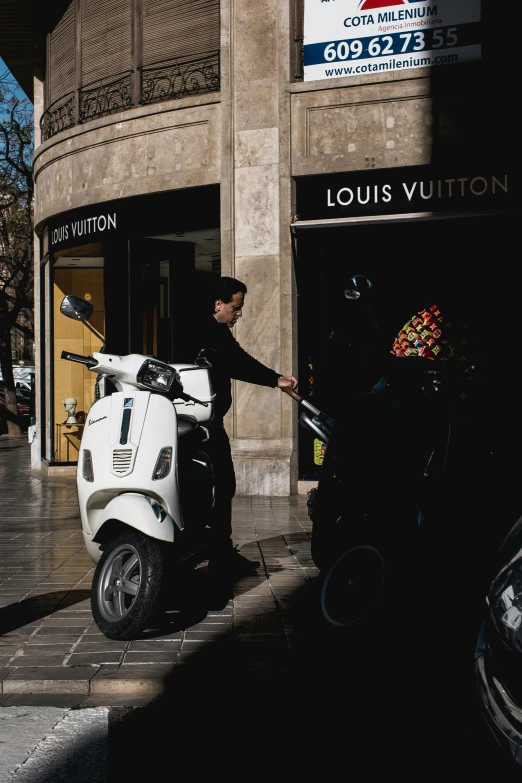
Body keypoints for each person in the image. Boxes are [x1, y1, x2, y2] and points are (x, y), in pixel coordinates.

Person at [185, 276, 298, 579]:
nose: (240, 313)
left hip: (199, 423)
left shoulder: (208, 330)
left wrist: (276, 379)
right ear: (218, 304)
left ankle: (213, 549)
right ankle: (215, 551)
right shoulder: (208, 332)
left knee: (217, 485)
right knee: (222, 484)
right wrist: (277, 379)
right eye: (237, 307)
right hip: (202, 424)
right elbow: (239, 362)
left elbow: (236, 362)